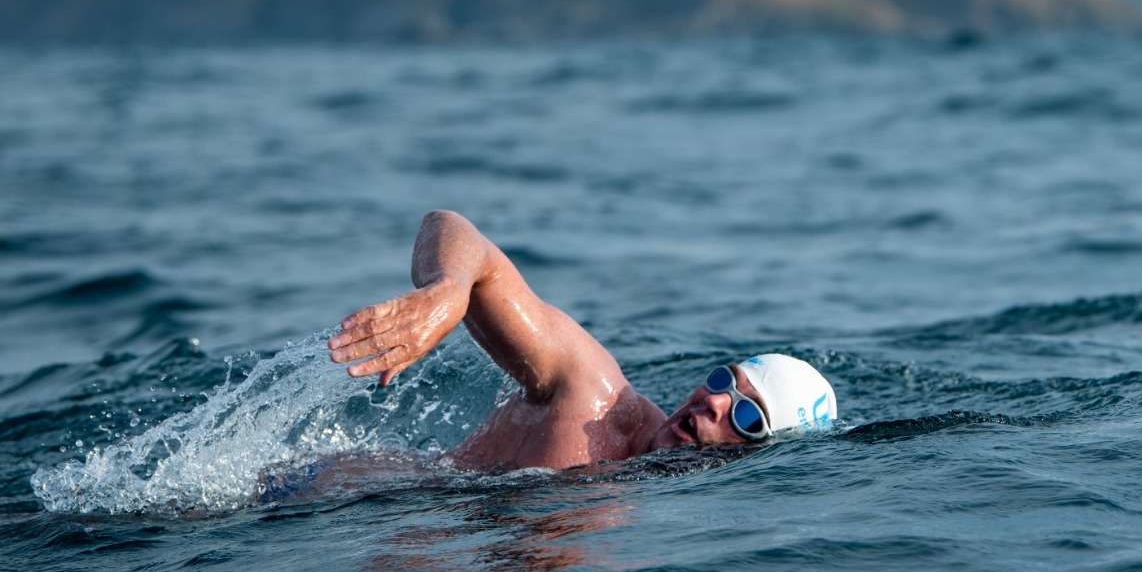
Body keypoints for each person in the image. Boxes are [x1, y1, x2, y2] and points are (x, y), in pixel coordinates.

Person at [327, 210, 836, 471]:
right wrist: (449, 290)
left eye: (747, 417)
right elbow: (455, 230)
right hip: (298, 505)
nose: (715, 401)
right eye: (725, 380)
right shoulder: (592, 394)